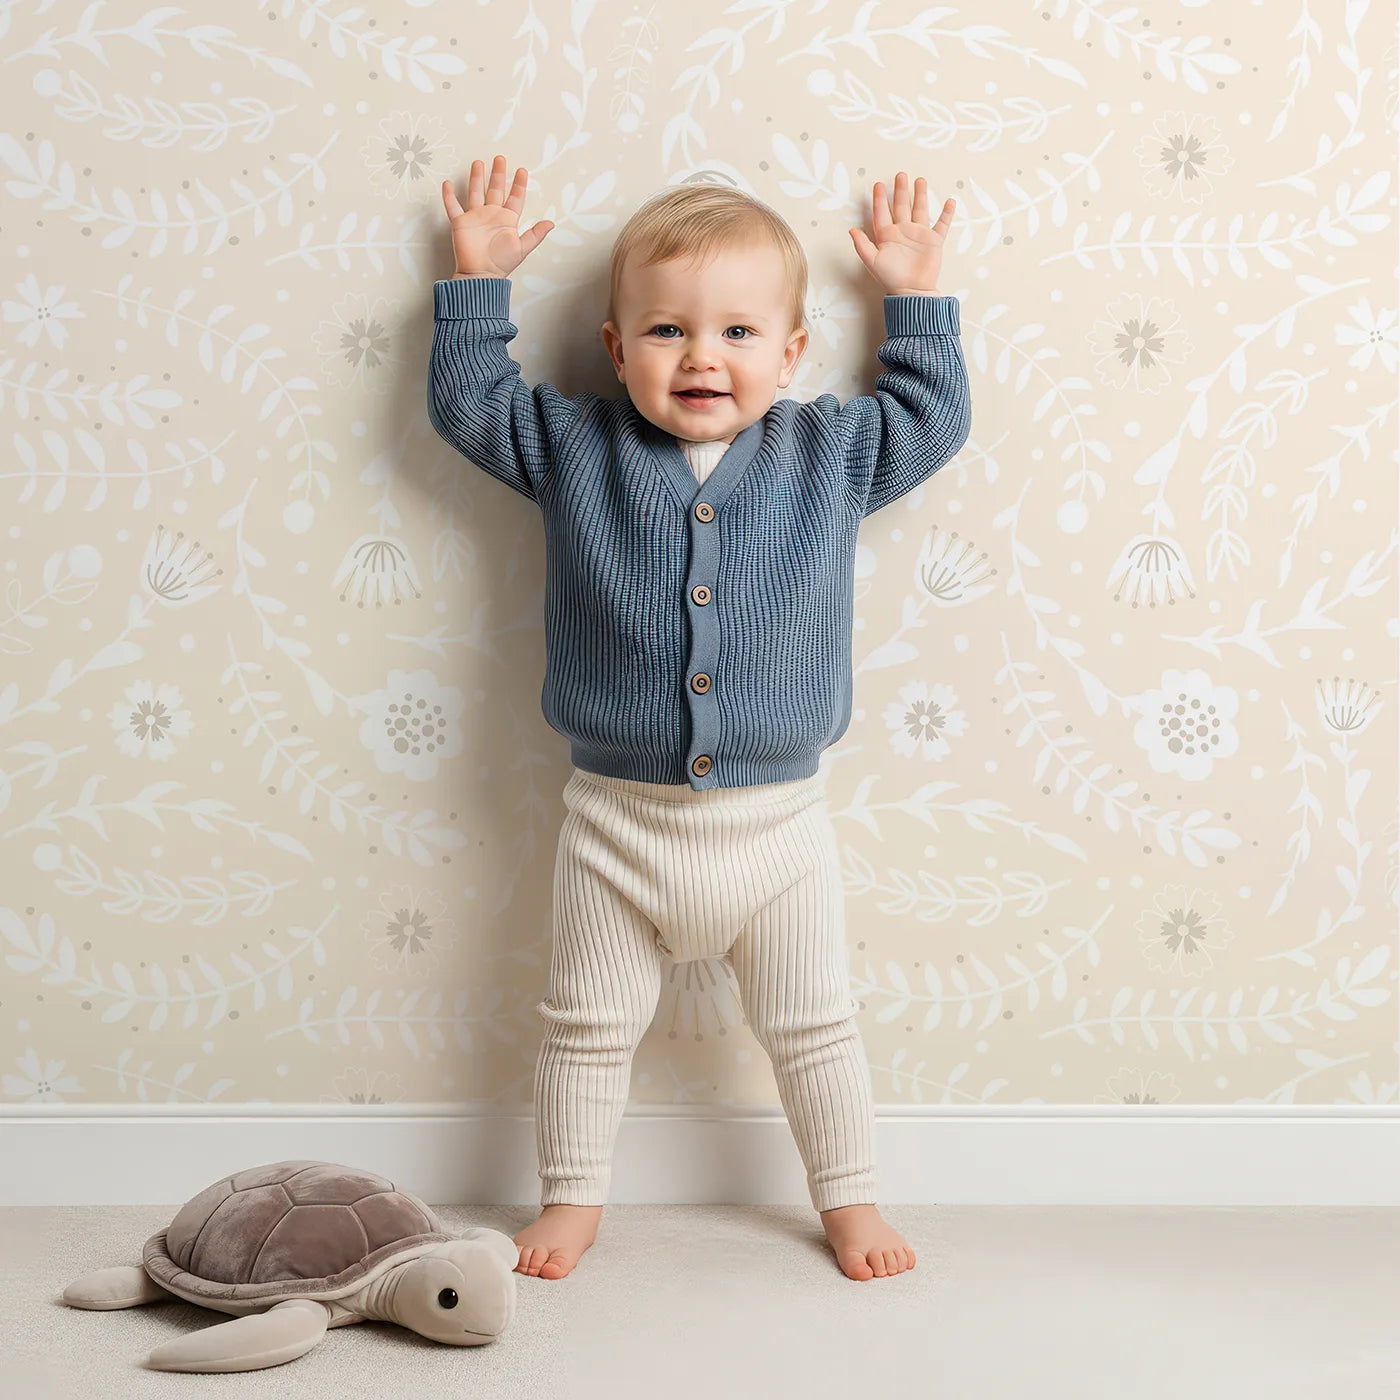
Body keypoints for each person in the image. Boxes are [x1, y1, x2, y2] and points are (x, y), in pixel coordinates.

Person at [429, 155, 970, 1283]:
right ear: (618, 350)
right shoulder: (576, 446)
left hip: (778, 829)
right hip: (612, 823)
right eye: (667, 331)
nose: (701, 358)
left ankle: (848, 1198)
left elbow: (931, 418)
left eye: (734, 333)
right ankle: (571, 1200)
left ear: (790, 352)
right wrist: (475, 283)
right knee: (583, 1024)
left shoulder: (828, 452)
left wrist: (913, 300)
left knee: (814, 1028)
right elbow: (468, 405)